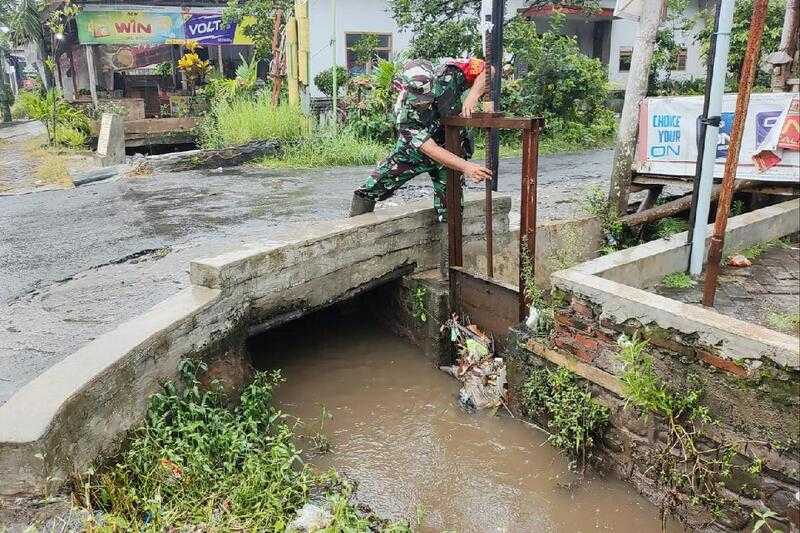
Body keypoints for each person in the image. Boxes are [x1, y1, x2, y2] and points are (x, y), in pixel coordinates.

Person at [348, 57, 493, 221]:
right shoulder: (404, 115)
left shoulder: (450, 73)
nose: (423, 104)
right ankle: (356, 228)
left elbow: (489, 69)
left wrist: (473, 94)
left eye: (427, 98)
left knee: (451, 209)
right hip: (414, 153)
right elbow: (431, 149)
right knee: (371, 188)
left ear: (434, 80)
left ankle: (448, 241)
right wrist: (466, 167)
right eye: (418, 100)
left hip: (451, 147)